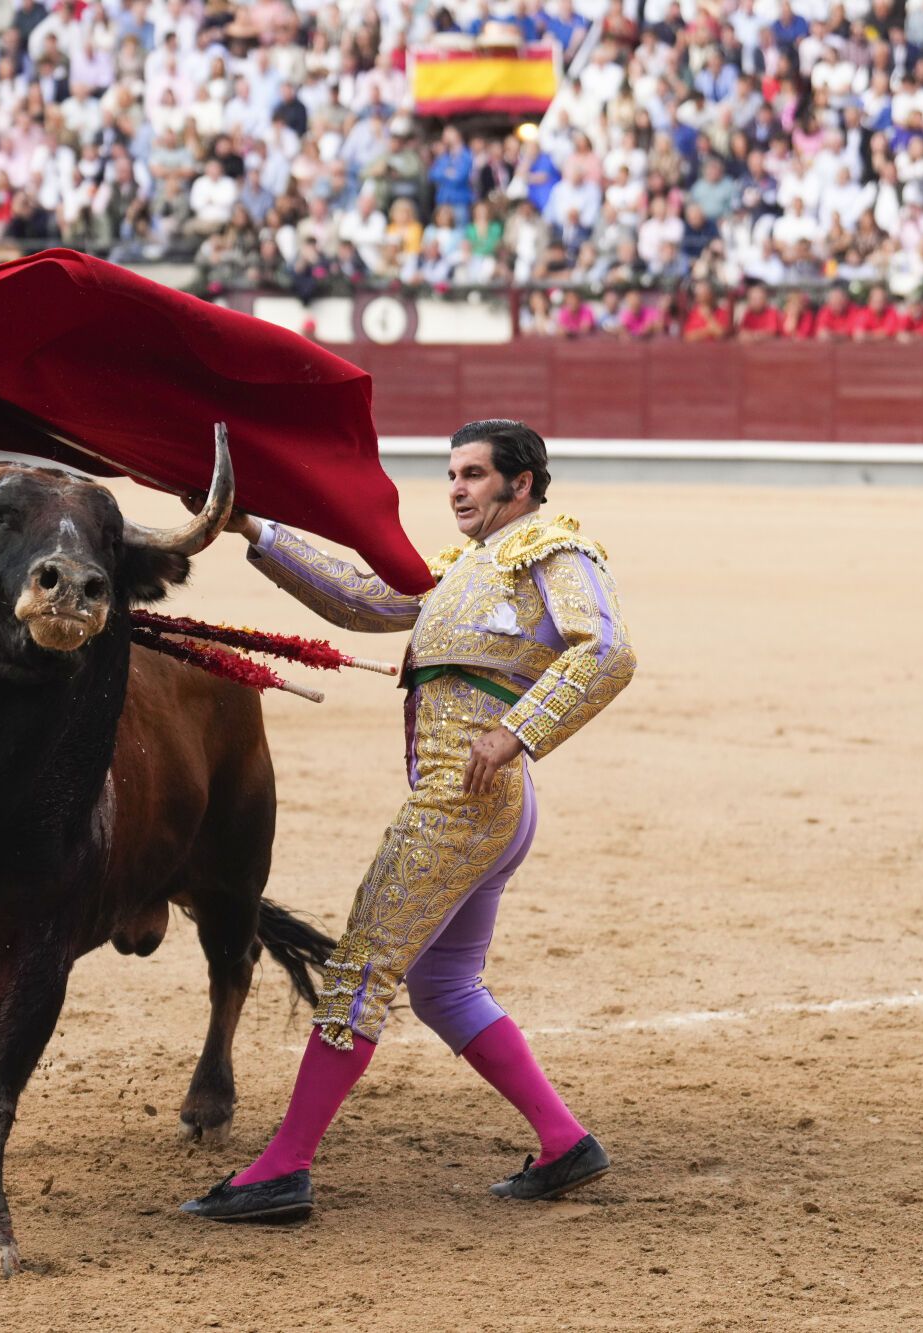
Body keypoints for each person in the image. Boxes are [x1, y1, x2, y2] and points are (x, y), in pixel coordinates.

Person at [181, 421, 636, 1222]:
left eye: (474, 474)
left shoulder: (553, 549)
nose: (456, 487)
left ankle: (283, 1168)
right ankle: (565, 1142)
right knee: (444, 985)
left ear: (522, 484)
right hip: (479, 799)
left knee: (360, 966)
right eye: (452, 474)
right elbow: (364, 598)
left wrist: (517, 730)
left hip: (465, 797)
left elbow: (606, 650)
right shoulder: (463, 566)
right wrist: (254, 528)